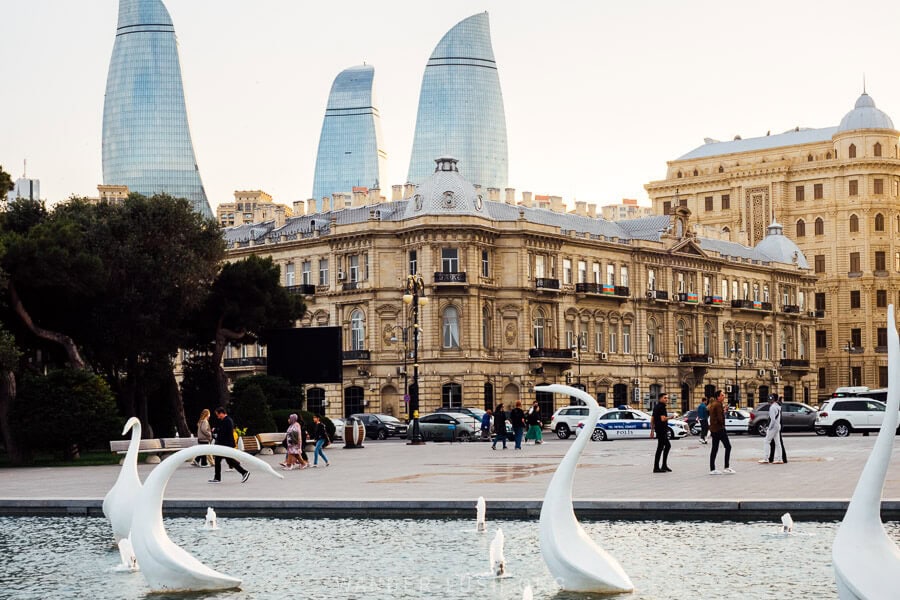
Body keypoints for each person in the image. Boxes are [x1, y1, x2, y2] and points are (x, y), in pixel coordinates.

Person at [209, 407, 250, 484]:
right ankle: (217, 477)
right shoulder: (226, 420)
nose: (218, 416)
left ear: (222, 413)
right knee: (222, 460)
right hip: (224, 444)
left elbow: (223, 432)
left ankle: (244, 472)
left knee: (226, 460)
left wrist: (215, 430)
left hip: (225, 445)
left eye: (218, 415)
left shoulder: (227, 421)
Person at [708, 390, 734, 475]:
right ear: (718, 397)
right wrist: (723, 424)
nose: (724, 397)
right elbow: (719, 418)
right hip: (719, 429)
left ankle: (712, 469)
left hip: (714, 429)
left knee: (714, 449)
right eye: (722, 395)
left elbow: (715, 415)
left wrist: (723, 411)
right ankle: (726, 467)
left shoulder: (713, 404)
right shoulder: (718, 404)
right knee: (728, 447)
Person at [760, 395, 788, 464]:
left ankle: (766, 458)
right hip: (778, 426)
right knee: (778, 443)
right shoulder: (778, 407)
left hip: (773, 426)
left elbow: (772, 420)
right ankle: (779, 459)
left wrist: (769, 428)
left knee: (766, 441)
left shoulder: (772, 407)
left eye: (769, 400)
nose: (769, 401)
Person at [652, 393, 671, 473]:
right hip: (662, 429)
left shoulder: (656, 407)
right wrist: (672, 416)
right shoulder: (661, 407)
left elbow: (652, 419)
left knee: (663, 447)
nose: (666, 399)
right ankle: (657, 467)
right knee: (663, 447)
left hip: (658, 429)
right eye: (665, 398)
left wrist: (652, 430)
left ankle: (663, 465)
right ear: (660, 399)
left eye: (667, 398)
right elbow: (663, 419)